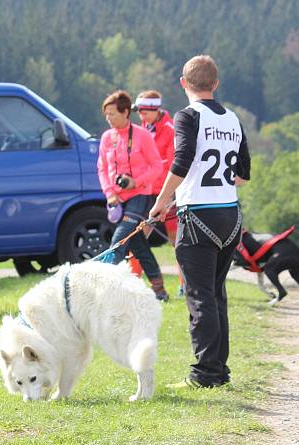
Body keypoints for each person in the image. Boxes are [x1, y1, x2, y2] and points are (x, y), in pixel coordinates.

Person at [149, 55, 250, 388]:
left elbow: (181, 160)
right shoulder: (233, 118)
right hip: (230, 215)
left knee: (200, 296)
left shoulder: (188, 116)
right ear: (216, 84)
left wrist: (162, 203)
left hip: (199, 218)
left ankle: (205, 374)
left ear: (183, 83)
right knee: (216, 294)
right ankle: (219, 371)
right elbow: (243, 175)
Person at [97, 90, 168, 300]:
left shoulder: (142, 135)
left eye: (113, 114)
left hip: (140, 196)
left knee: (120, 239)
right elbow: (101, 169)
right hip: (116, 199)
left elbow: (157, 167)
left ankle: (102, 286)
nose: (109, 119)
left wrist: (136, 182)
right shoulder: (106, 137)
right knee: (139, 245)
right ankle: (160, 291)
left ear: (126, 112)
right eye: (106, 115)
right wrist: (110, 194)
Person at [130, 90, 184, 295]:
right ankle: (132, 283)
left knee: (177, 243)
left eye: (144, 112)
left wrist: (166, 195)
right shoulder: (144, 128)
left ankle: (184, 286)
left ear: (155, 109)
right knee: (137, 239)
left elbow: (172, 165)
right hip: (147, 193)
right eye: (139, 113)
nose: (141, 117)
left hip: (168, 195)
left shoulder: (170, 130)